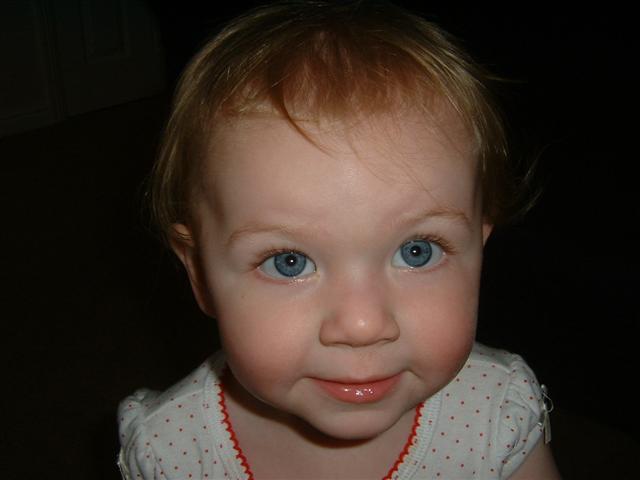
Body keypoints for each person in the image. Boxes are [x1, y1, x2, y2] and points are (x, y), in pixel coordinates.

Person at [117, 1, 561, 478]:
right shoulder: (172, 450)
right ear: (200, 275)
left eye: (417, 252)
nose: (363, 325)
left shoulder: (494, 415)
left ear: (479, 249)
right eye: (289, 261)